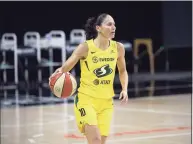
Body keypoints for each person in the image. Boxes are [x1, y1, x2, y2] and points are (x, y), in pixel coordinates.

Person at [49, 13, 128, 144]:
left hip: (106, 102)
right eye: (109, 24)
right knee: (95, 140)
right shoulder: (86, 47)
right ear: (98, 28)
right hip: (86, 100)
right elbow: (66, 66)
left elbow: (123, 71)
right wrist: (57, 75)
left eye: (114, 24)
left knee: (100, 142)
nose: (113, 27)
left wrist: (124, 89)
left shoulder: (118, 48)